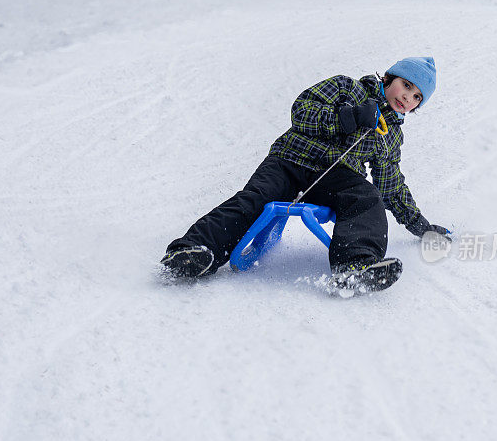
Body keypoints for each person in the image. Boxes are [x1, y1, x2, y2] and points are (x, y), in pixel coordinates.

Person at [159, 57, 450, 291]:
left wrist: (421, 226)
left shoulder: (390, 136)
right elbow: (302, 110)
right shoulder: (347, 88)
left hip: (337, 177)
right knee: (255, 199)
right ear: (389, 77)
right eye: (406, 84)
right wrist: (347, 117)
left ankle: (356, 265)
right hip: (289, 161)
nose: (407, 97)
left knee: (367, 197)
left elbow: (392, 188)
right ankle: (195, 250)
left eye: (416, 97)